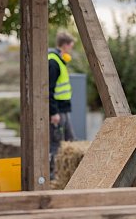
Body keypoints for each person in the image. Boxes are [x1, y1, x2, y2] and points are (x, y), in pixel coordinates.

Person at [48, 32, 76, 177]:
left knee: (70, 141)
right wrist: (53, 112)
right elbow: (49, 89)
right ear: (65, 45)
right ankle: (52, 175)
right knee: (56, 144)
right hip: (57, 111)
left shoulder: (59, 61)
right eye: (71, 46)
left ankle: (67, 175)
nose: (71, 49)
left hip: (63, 109)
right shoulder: (53, 62)